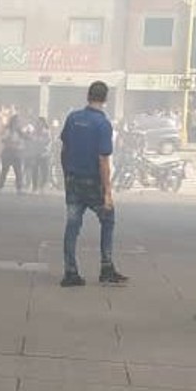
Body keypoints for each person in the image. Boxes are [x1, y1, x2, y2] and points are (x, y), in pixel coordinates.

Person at [60, 81, 127, 287]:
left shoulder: (73, 118)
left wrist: (66, 174)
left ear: (88, 95)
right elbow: (103, 160)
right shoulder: (102, 124)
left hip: (73, 180)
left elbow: (64, 149)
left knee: (72, 226)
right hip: (93, 182)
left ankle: (70, 271)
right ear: (105, 99)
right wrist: (107, 192)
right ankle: (106, 267)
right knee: (108, 219)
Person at [0, 114, 25, 192]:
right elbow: (3, 139)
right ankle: (0, 186)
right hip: (8, 152)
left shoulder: (20, 132)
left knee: (18, 171)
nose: (18, 123)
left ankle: (19, 187)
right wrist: (9, 140)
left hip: (17, 152)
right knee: (5, 170)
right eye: (16, 122)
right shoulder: (8, 130)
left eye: (18, 122)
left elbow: (24, 140)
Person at [31, 117, 52, 193]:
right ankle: (35, 187)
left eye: (40, 122)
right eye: (38, 122)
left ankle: (43, 186)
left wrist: (41, 142)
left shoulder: (46, 131)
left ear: (43, 123)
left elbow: (48, 141)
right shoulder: (34, 131)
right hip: (35, 153)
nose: (39, 124)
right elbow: (32, 141)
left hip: (44, 153)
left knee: (44, 171)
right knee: (35, 170)